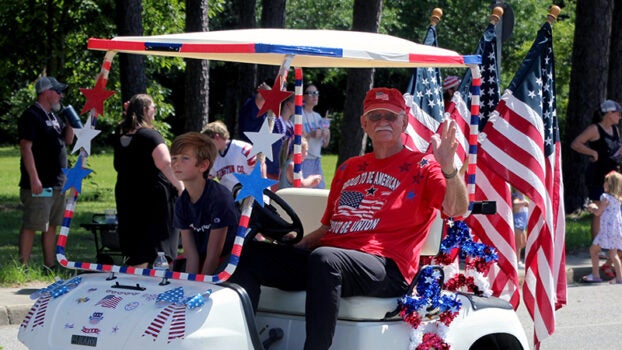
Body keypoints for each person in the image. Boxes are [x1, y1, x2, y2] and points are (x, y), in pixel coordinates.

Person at [230, 87, 468, 350]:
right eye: (375, 116)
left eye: (390, 116)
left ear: (404, 121)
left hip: (387, 267)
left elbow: (456, 209)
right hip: (333, 263)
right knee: (246, 254)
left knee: (325, 258)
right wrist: (298, 245)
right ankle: (244, 342)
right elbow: (331, 226)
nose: (382, 122)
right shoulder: (349, 168)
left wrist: (448, 169)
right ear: (364, 123)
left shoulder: (424, 166)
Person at [113, 94, 184, 268]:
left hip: (127, 194)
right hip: (153, 197)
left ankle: (137, 274)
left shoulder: (120, 134)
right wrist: (180, 185)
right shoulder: (150, 136)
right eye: (153, 107)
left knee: (136, 243)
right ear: (145, 110)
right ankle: (158, 278)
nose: (154, 111)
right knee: (156, 243)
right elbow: (165, 163)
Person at [17, 76, 74, 270]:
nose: (61, 95)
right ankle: (22, 266)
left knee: (52, 225)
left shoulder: (54, 116)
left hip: (57, 181)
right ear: (46, 92)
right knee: (34, 223)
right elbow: (26, 147)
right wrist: (34, 178)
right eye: (57, 91)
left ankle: (49, 265)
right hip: (40, 182)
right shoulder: (32, 115)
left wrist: (71, 123)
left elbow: (66, 141)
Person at [171, 132, 240, 275]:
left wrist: (200, 288)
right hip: (204, 258)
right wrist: (190, 284)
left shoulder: (219, 198)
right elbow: (192, 255)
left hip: (232, 261)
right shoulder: (181, 203)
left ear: (203, 165)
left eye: (185, 158)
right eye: (174, 158)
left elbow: (214, 255)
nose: (176, 163)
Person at [571, 100, 622, 242]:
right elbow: (576, 144)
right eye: (618, 113)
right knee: (599, 209)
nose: (620, 117)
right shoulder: (594, 129)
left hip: (613, 176)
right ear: (609, 114)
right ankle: (597, 244)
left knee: (615, 208)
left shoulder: (615, 130)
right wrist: (592, 152)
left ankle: (612, 243)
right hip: (598, 174)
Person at [582, 171, 622, 284]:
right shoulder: (618, 199)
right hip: (616, 230)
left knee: (593, 250)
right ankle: (620, 278)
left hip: (606, 231)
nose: (604, 184)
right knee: (613, 254)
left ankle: (595, 275)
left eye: (606, 182)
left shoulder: (605, 197)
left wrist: (592, 207)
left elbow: (598, 212)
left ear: (610, 185)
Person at [201, 120, 259, 192]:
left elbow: (261, 166)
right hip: (232, 199)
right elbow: (208, 180)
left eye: (208, 142)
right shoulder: (213, 158)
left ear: (217, 137)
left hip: (253, 194)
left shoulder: (242, 148)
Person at [301, 84, 330, 189]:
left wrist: (327, 134)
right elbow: (296, 141)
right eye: (311, 93)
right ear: (303, 96)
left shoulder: (318, 116)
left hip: (317, 160)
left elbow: (325, 144)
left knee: (320, 191)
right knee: (305, 192)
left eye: (316, 93)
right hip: (305, 159)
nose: (315, 96)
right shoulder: (299, 116)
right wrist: (310, 135)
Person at [512, 189, 529, 269]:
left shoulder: (524, 197)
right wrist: (524, 203)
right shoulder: (516, 196)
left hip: (523, 223)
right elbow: (515, 204)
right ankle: (517, 261)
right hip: (517, 222)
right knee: (518, 244)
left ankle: (517, 259)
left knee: (523, 243)